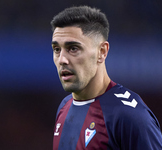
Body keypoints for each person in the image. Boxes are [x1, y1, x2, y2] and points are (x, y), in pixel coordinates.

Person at [51, 5, 162, 150]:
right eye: (57, 49)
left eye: (73, 48)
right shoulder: (64, 107)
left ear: (102, 52)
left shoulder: (130, 116)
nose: (62, 59)